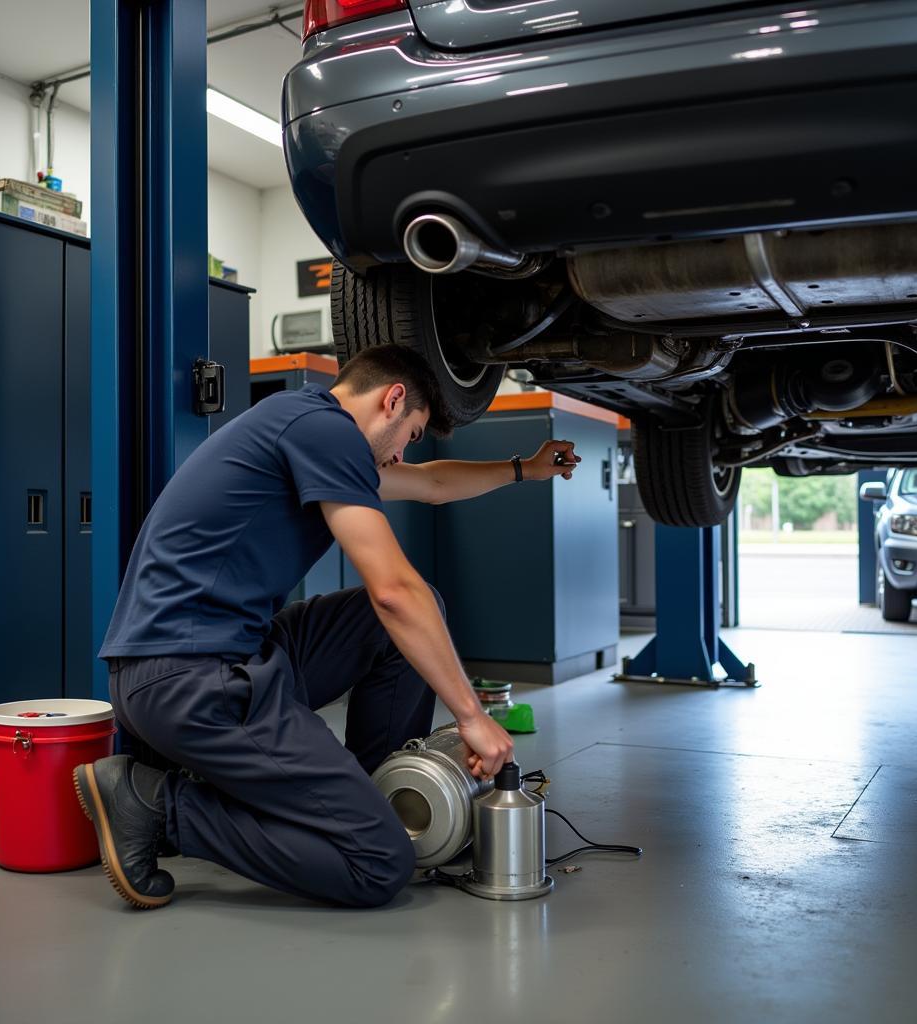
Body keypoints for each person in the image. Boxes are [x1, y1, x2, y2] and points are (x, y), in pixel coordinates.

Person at [73, 343, 580, 910]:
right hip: (188, 678)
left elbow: (432, 485)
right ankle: (156, 805)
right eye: (410, 435)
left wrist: (524, 469)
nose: (403, 457)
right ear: (392, 400)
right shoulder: (325, 432)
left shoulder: (305, 425)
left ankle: (369, 794)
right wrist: (472, 716)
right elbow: (392, 590)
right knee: (379, 863)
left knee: (403, 616)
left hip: (211, 658)